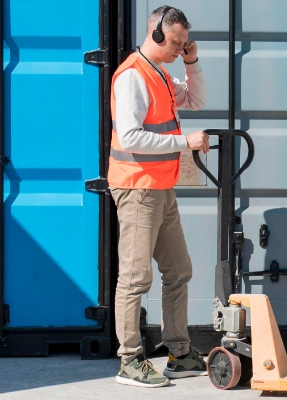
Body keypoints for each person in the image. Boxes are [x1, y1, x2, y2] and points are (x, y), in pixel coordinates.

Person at [108, 5, 210, 388]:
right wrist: (185, 142)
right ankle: (130, 361)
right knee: (135, 278)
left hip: (161, 188)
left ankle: (179, 354)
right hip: (137, 188)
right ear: (155, 35)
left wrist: (192, 62)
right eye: (177, 43)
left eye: (185, 43)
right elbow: (131, 137)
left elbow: (196, 101)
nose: (181, 49)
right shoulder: (132, 76)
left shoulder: (161, 73)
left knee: (178, 270)